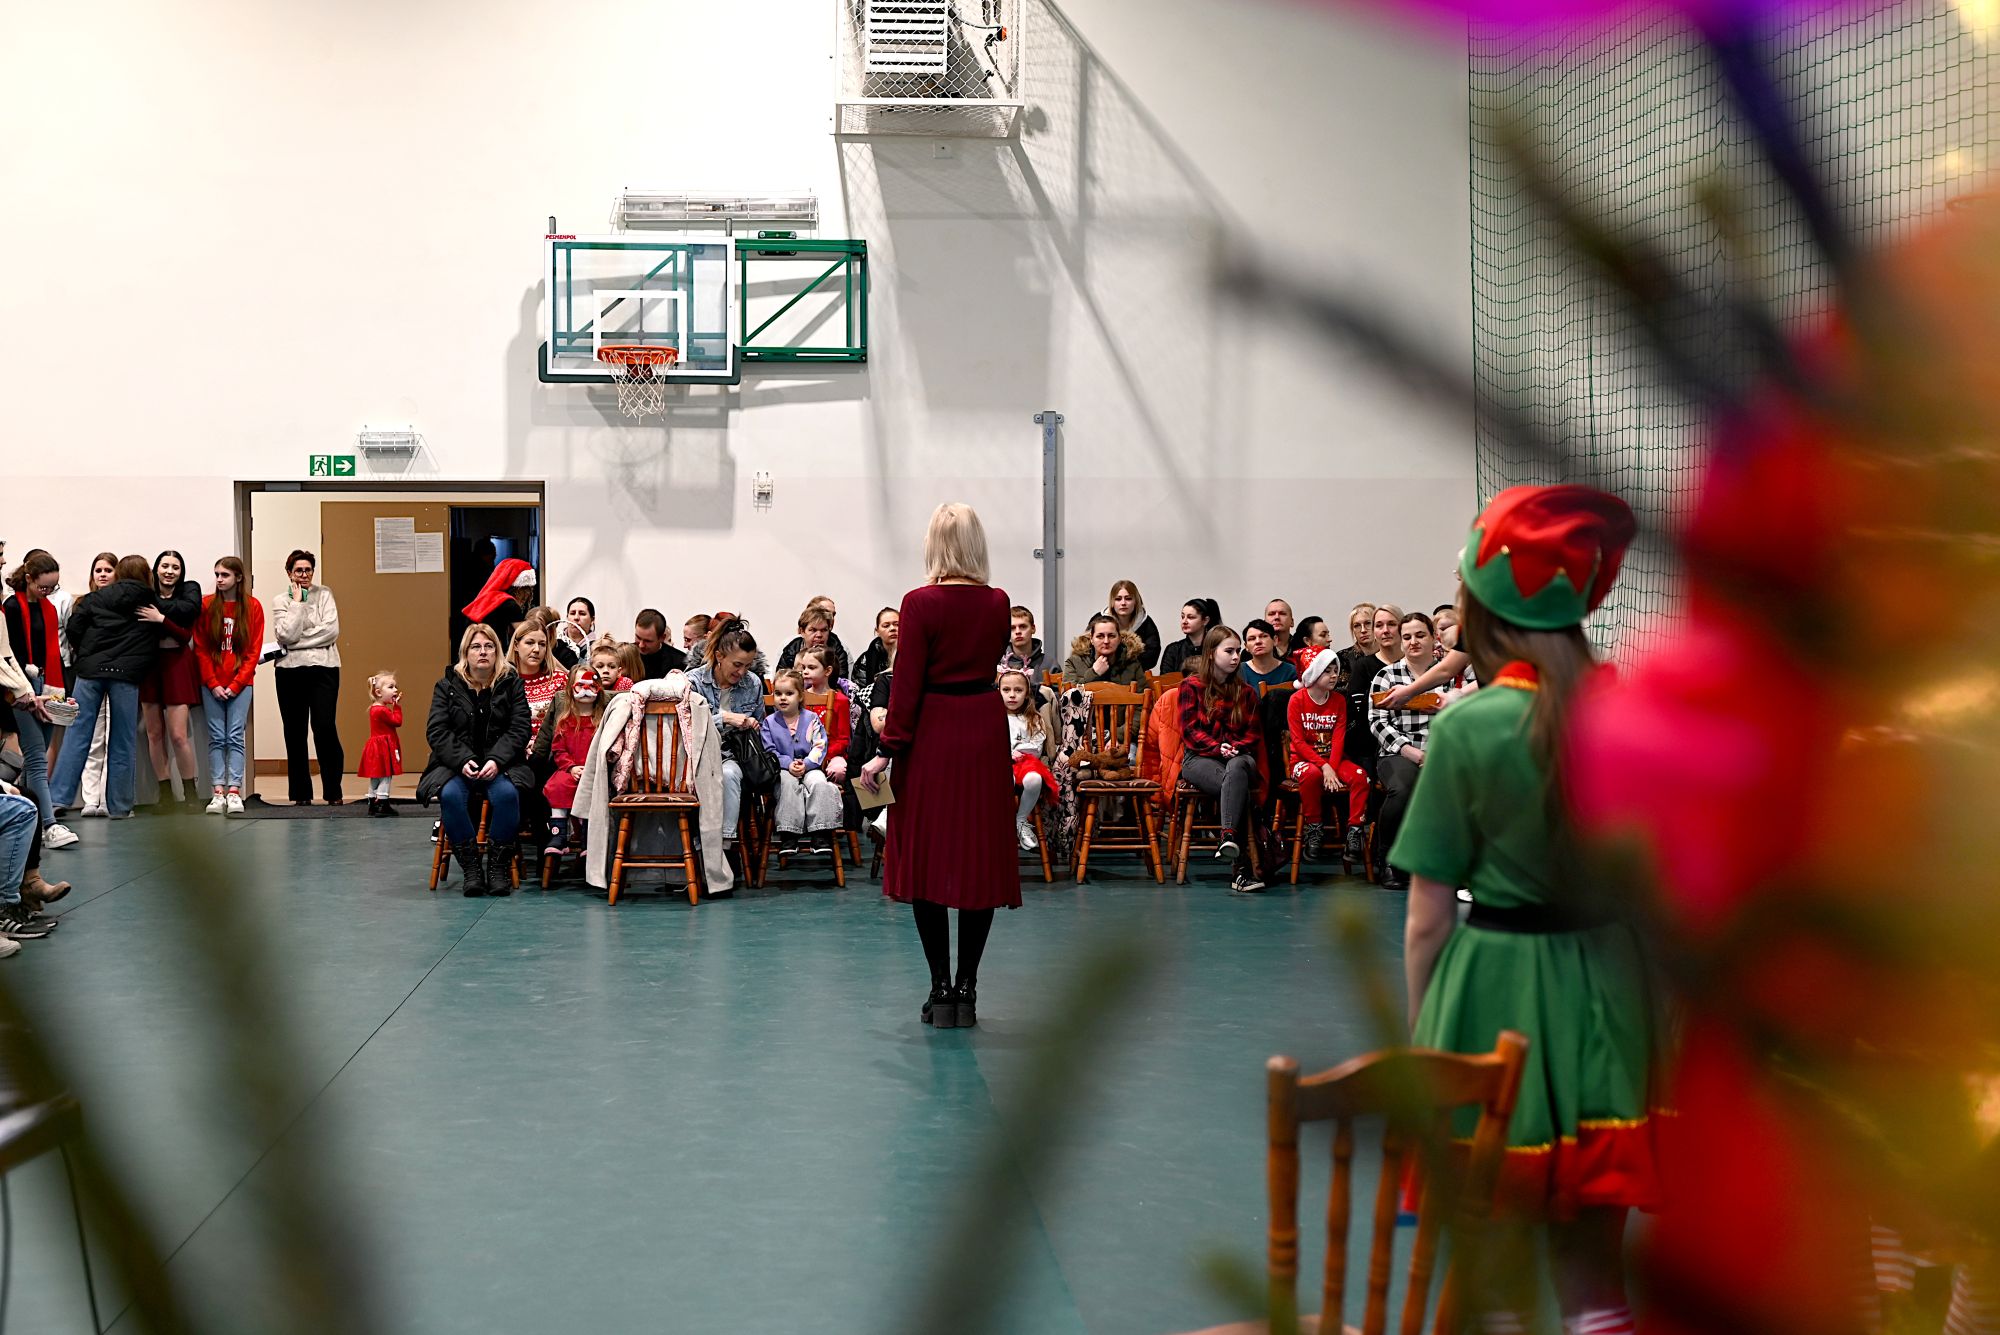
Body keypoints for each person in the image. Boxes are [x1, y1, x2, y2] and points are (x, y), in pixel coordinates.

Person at [1394, 485, 1657, 1335]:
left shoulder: (1467, 727)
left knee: (1496, 1270)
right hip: (1606, 992)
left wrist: (1423, 1031)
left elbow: (1427, 915)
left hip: (1492, 992)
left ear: (1481, 606)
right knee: (1598, 1279)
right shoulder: (1628, 720)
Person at [857, 502, 1018, 1031]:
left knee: (927, 856)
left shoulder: (919, 603)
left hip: (932, 731)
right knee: (978, 855)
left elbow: (906, 684)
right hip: (983, 728)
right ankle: (968, 988)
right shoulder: (998, 602)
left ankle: (940, 988)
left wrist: (886, 749)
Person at [417, 623, 531, 898]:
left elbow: (519, 728)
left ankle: (497, 868)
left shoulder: (512, 684)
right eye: (476, 647)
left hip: (500, 764)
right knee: (450, 795)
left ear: (497, 651)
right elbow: (437, 731)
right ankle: (471, 868)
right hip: (456, 765)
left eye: (489, 646)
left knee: (507, 795)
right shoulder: (446, 686)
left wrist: (496, 760)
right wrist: (463, 760)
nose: (483, 652)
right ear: (465, 653)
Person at [50, 555, 160, 820]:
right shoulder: (151, 602)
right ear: (146, 575)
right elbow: (154, 638)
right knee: (123, 739)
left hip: (90, 673)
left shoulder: (95, 598)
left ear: (119, 572)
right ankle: (120, 806)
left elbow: (74, 627)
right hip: (127, 675)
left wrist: (87, 653)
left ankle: (58, 798)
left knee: (76, 735)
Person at [1179, 625, 1265, 894]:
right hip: (1199, 758)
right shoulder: (1191, 686)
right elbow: (1189, 731)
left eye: (1238, 651)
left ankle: (1227, 837)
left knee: (1237, 770)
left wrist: (1234, 748)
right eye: (1229, 651)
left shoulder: (1246, 691)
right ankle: (1241, 872)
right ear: (1210, 653)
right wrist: (1218, 748)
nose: (1236, 657)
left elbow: (1253, 734)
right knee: (1236, 786)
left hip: (1240, 758)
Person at [1367, 612, 1441, 890]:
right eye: (1407, 637)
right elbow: (1377, 722)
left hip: (1442, 752)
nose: (1413, 642)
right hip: (1399, 752)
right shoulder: (1386, 675)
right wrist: (1414, 753)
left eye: (1420, 635)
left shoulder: (1449, 673)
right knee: (1403, 789)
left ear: (1433, 637)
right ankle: (1389, 860)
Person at [4, 553, 73, 848]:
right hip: (20, 687)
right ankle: (49, 825)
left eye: (53, 588)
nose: (48, 593)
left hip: (48, 684)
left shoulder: (48, 608)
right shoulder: (11, 607)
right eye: (43, 587)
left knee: (37, 757)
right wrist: (27, 692)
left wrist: (59, 694)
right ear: (29, 579)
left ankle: (27, 820)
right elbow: (11, 655)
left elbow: (54, 652)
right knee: (35, 756)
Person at [687, 618, 767, 852]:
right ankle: (703, 844)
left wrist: (754, 726)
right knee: (707, 778)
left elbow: (761, 724)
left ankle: (723, 844)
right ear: (719, 656)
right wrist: (725, 718)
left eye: (748, 666)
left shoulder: (753, 683)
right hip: (697, 756)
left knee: (730, 774)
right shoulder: (693, 681)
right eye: (737, 664)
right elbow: (687, 727)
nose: (742, 672)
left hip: (734, 755)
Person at [273, 548, 345, 806]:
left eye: (308, 570)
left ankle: (333, 792)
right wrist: (297, 604)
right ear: (289, 573)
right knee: (294, 731)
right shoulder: (281, 600)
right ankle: (301, 794)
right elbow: (284, 635)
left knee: (325, 727)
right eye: (298, 570)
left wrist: (296, 642)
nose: (304, 575)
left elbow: (331, 631)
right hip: (289, 671)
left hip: (324, 668)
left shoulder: (325, 594)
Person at [193, 557, 262, 816]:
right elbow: (201, 648)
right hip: (211, 683)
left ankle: (234, 791)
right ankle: (217, 792)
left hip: (241, 684)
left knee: (234, 736)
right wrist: (212, 683)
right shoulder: (207, 605)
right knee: (216, 737)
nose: (220, 579)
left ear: (238, 577)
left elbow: (253, 651)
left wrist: (236, 684)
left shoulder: (253, 606)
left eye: (225, 575)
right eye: (217, 575)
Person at [1287, 650, 1370, 862]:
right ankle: (1314, 828)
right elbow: (1298, 742)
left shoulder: (1339, 700)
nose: (1334, 676)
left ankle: (1355, 831)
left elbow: (1339, 738)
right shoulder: (1296, 700)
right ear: (1314, 673)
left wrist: (1331, 766)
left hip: (1334, 760)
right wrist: (1325, 768)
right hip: (1303, 761)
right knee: (1312, 774)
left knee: (1360, 776)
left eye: (1336, 671)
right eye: (1327, 671)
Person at [140, 550, 203, 811]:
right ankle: (164, 795)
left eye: (175, 567)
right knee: (154, 734)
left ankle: (191, 795)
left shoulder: (189, 591)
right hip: (150, 667)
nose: (169, 571)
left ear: (181, 571)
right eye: (164, 566)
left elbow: (184, 636)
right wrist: (168, 620)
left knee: (178, 735)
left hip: (177, 665)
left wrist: (160, 619)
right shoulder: (145, 593)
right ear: (156, 569)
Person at [760, 669, 842, 856]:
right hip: (783, 768)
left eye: (789, 693)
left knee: (819, 783)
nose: (783, 698)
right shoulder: (769, 723)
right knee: (787, 784)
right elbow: (769, 751)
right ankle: (789, 834)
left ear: (800, 696)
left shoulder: (811, 719)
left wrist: (807, 764)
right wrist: (787, 764)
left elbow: (820, 745)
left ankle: (820, 832)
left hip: (810, 766)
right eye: (778, 693)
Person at [534, 662, 604, 859]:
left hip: (593, 771)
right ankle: (559, 835)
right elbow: (558, 749)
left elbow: (605, 748)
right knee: (557, 786)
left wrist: (591, 768)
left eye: (591, 686)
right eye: (580, 685)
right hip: (569, 769)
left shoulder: (602, 721)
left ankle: (588, 838)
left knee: (592, 790)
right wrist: (570, 767)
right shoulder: (565, 721)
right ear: (570, 689)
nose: (586, 691)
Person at [68, 553, 119, 817]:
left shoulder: (123, 605)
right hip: (89, 676)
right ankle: (90, 799)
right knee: (93, 738)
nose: (102, 574)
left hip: (118, 676)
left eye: (108, 570)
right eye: (98, 570)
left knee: (114, 740)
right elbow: (74, 635)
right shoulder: (83, 603)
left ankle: (109, 799)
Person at [1000, 669, 1055, 851]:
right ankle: (1003, 822)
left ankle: (1021, 820)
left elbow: (1037, 746)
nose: (1012, 695)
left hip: (1026, 762)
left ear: (1027, 693)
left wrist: (1019, 751)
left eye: (1018, 690)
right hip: (1000, 763)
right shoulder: (994, 717)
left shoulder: (1034, 718)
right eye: (1006, 690)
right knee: (1005, 779)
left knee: (1034, 779)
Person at [794, 647, 853, 785]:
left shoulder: (841, 700)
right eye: (803, 667)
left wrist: (823, 754)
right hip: (803, 752)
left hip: (830, 754)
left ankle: (832, 795)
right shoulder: (799, 697)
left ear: (827, 671)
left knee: (838, 770)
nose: (805, 671)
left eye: (811, 667)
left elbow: (843, 739)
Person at [462, 557, 535, 657]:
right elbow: (526, 636)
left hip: (472, 650)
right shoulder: (510, 604)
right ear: (520, 589)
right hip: (491, 653)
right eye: (528, 590)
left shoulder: (491, 598)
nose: (528, 596)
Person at [508, 620, 566, 737]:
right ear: (516, 645)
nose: (536, 649)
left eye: (542, 644)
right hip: (514, 745)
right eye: (530, 643)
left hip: (549, 745)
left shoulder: (559, 680)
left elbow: (565, 724)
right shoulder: (504, 681)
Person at [358, 672, 404, 817]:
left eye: (395, 687)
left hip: (376, 747)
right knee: (386, 775)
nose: (395, 690)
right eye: (391, 687)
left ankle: (372, 803)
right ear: (378, 692)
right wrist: (397, 706)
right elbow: (397, 721)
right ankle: (382, 803)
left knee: (376, 776)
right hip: (383, 747)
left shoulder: (374, 708)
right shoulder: (382, 710)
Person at [1063, 613, 1147, 689]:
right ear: (1091, 639)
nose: (1106, 641)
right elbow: (1067, 697)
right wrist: (1094, 673)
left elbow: (1144, 698)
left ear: (1119, 639)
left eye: (1111, 636)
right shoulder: (1074, 662)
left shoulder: (1133, 664)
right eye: (1100, 636)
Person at [777, 596, 852, 679]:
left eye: (824, 630)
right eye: (813, 630)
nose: (819, 635)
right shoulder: (791, 650)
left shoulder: (838, 651)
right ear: (802, 631)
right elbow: (780, 680)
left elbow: (842, 682)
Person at [1104, 580, 1161, 673]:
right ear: (1112, 602)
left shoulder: (1146, 623)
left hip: (1135, 675)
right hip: (1103, 674)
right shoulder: (1099, 621)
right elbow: (1088, 652)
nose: (1123, 603)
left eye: (1128, 598)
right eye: (1118, 599)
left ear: (1136, 601)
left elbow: (1152, 656)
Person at [850, 606, 899, 704]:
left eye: (897, 624)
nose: (892, 628)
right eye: (886, 626)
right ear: (877, 631)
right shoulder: (865, 660)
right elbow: (859, 696)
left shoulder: (913, 656)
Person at [1158, 598, 1220, 677]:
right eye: (1182, 617)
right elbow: (1165, 680)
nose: (1184, 621)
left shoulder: (1216, 648)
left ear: (1205, 620)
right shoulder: (1173, 649)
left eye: (1190, 617)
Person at [1238, 618, 1298, 690]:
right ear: (1246, 646)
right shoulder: (1238, 672)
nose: (1258, 642)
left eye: (1263, 636)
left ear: (1275, 640)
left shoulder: (1291, 671)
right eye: (1252, 638)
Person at [996, 606, 1051, 685]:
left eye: (1023, 627)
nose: (1018, 631)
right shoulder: (996, 664)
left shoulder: (1049, 664)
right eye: (1012, 628)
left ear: (1033, 628)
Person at [632, 608, 686, 679]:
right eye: (638, 637)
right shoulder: (624, 655)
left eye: (647, 641)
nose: (641, 645)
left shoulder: (679, 662)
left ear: (662, 638)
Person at [1337, 603, 1378, 681]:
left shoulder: (1388, 654)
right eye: (1357, 625)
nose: (1363, 630)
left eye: (1368, 623)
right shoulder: (1342, 658)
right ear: (1352, 630)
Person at [552, 597, 595, 669]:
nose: (576, 617)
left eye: (582, 614)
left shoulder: (597, 648)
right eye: (572, 613)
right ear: (567, 617)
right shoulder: (552, 642)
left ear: (592, 620)